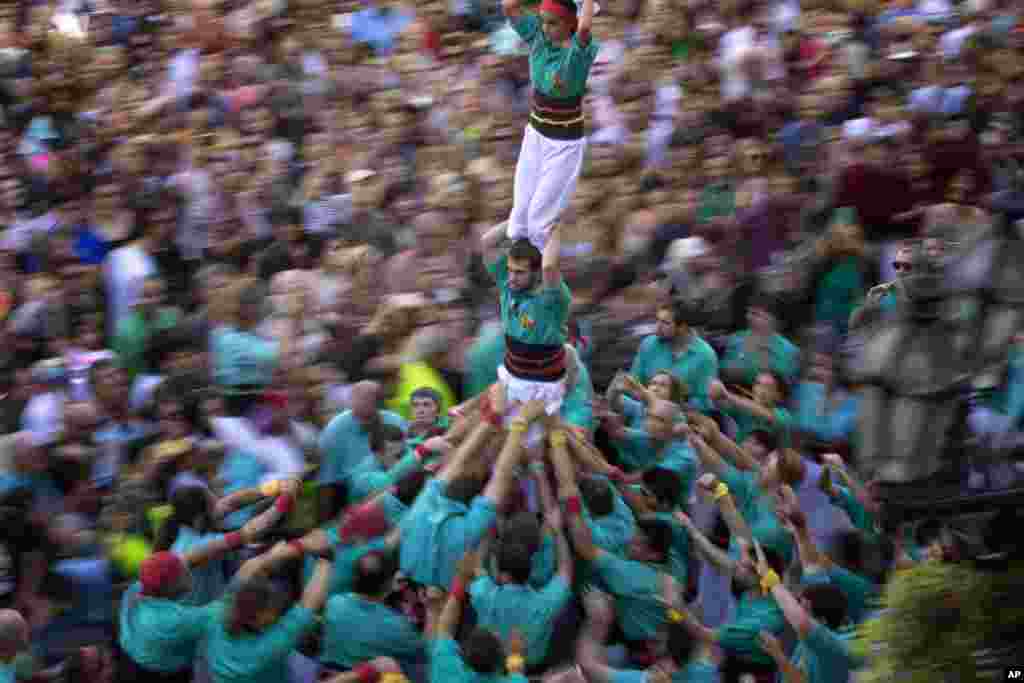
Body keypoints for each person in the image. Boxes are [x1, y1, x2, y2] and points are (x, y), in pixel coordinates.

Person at [501, 0, 599, 252]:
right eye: (543, 21)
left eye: (553, 23)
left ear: (570, 23)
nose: (545, 28)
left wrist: (586, 3)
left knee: (538, 223)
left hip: (563, 144)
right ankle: (517, 271)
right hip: (535, 135)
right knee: (519, 217)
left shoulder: (578, 53)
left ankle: (546, 278)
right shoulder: (538, 37)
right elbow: (509, 6)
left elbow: (585, 28)